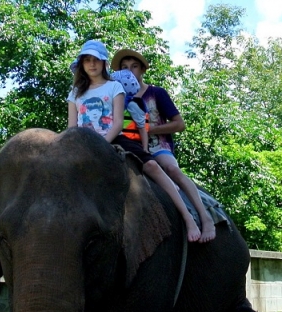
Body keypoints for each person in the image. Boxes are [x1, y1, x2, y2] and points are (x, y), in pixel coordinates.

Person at [67, 40, 202, 242]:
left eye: (96, 60)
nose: (92, 64)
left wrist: (102, 144)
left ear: (104, 63)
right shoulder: (76, 93)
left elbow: (118, 122)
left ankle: (187, 216)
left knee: (152, 166)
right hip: (83, 143)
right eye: (87, 60)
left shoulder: (114, 87)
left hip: (112, 138)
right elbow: (71, 127)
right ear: (81, 64)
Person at [111, 48, 216, 243]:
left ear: (142, 69)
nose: (129, 71)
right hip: (127, 147)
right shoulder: (115, 95)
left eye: (134, 66)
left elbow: (179, 124)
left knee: (170, 169)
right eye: (124, 67)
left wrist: (149, 130)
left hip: (158, 146)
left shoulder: (156, 93)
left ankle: (204, 216)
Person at [110, 69, 150, 153]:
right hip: (114, 139)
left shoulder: (132, 105)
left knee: (150, 164)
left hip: (132, 142)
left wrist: (145, 148)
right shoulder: (112, 102)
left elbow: (142, 128)